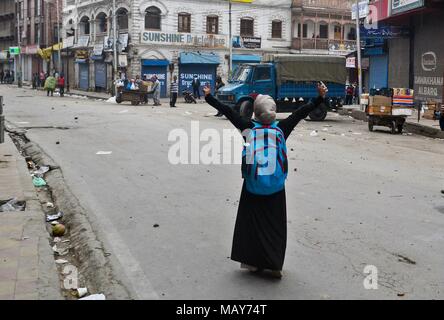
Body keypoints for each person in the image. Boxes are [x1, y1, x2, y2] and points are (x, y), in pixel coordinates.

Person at [203, 83, 327, 279]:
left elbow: (227, 111)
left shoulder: (248, 128)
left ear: (256, 112)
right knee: (275, 227)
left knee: (250, 224)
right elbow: (301, 112)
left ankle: (252, 263)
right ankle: (275, 265)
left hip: (252, 185)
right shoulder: (282, 129)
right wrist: (319, 97)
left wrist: (209, 96)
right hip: (276, 187)